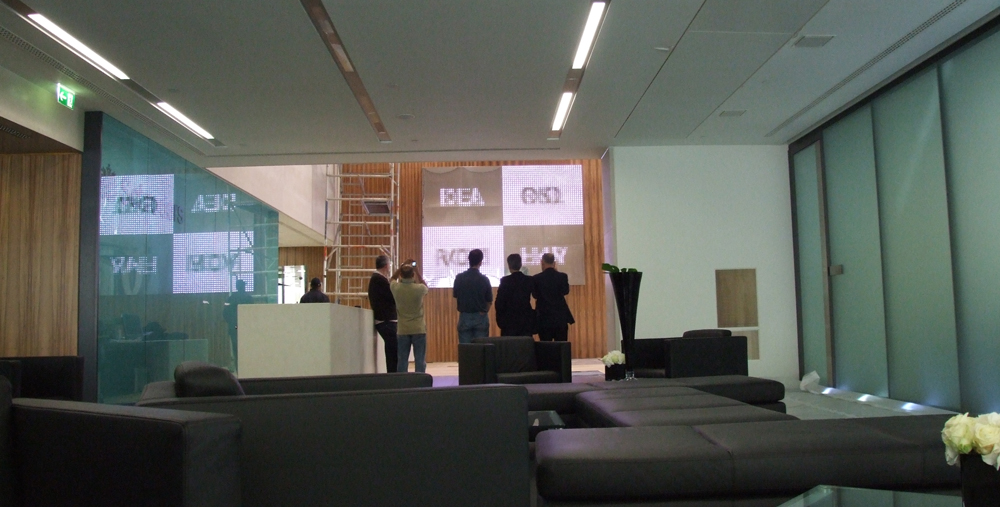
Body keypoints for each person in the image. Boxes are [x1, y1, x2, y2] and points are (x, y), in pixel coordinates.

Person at [390, 260, 429, 372]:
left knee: (402, 360)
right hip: (418, 328)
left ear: (401, 275)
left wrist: (401, 267)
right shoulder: (419, 288)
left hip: (403, 329)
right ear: (413, 275)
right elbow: (426, 287)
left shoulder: (396, 288)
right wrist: (418, 272)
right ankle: (420, 380)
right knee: (420, 360)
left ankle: (402, 381)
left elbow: (392, 279)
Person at [453, 248, 492, 343]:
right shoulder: (484, 279)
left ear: (468, 260)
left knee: (466, 349)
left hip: (465, 316)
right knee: (481, 348)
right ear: (481, 262)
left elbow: (456, 295)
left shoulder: (459, 278)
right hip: (480, 317)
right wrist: (484, 311)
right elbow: (489, 301)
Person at [532, 252, 574, 341]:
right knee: (561, 345)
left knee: (545, 346)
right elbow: (565, 291)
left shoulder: (536, 278)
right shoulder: (562, 276)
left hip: (543, 318)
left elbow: (535, 295)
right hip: (560, 317)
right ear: (554, 263)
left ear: (542, 262)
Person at [368, 254, 399, 373]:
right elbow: (392, 297)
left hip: (385, 320)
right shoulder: (379, 280)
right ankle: (393, 375)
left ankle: (392, 374)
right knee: (393, 350)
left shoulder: (377, 279)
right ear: (386, 266)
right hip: (385, 320)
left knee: (391, 349)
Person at [495, 253, 535, 337]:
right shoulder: (529, 280)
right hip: (525, 321)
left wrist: (500, 320)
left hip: (509, 322)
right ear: (520, 265)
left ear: (509, 266)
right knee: (525, 344)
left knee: (509, 344)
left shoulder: (505, 281)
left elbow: (499, 303)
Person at [223, 279, 254, 366]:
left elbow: (225, 313)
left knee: (236, 350)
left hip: (234, 328)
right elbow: (253, 314)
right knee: (247, 350)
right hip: (247, 328)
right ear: (243, 286)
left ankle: (238, 369)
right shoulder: (249, 298)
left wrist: (232, 323)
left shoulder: (231, 298)